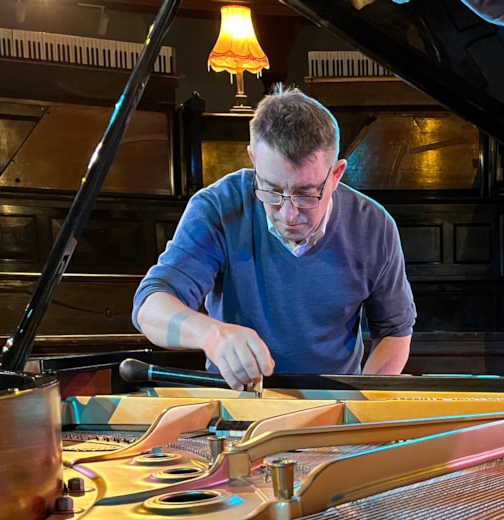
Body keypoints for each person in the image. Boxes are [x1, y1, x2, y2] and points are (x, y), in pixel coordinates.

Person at [132, 86, 416, 389]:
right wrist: (211, 334)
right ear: (254, 160)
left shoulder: (374, 226)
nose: (288, 213)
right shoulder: (218, 207)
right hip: (238, 407)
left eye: (306, 195)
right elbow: (151, 307)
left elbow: (394, 331)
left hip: (334, 405)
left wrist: (357, 401)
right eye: (271, 190)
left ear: (335, 175)